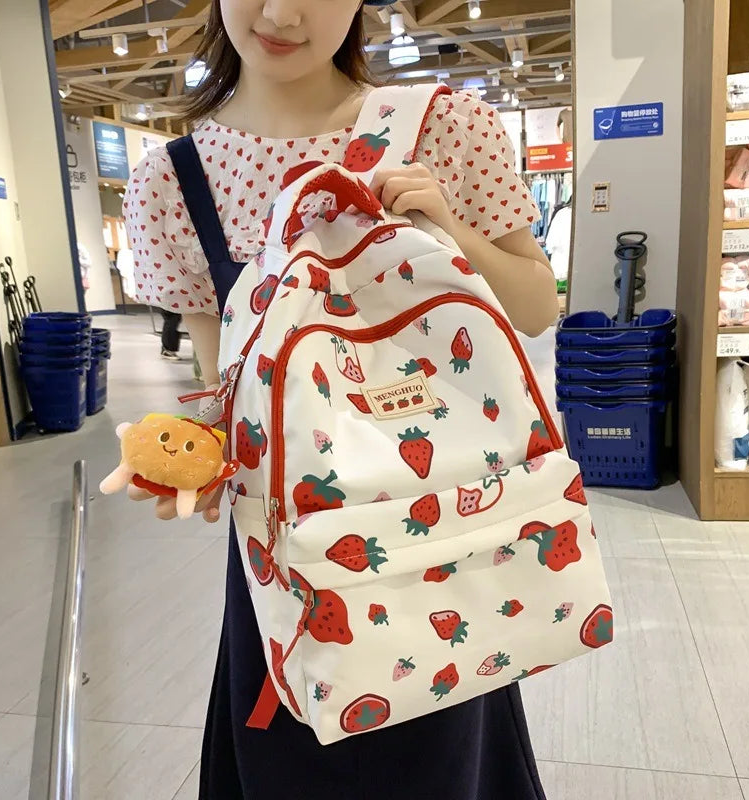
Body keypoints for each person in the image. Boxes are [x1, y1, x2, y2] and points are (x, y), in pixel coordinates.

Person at [123, 2, 558, 798]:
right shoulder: (172, 179)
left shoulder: (445, 128)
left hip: (441, 518)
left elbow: (537, 307)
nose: (282, 12)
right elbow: (226, 381)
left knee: (446, 756)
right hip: (287, 539)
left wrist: (450, 231)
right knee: (294, 754)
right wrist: (195, 454)